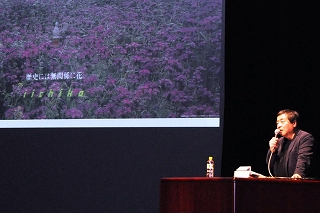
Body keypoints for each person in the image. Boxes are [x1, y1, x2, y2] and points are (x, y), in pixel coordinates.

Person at [266, 109, 319, 178]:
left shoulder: (305, 138)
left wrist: (298, 173)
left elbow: (303, 159)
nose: (278, 126)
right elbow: (270, 165)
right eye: (277, 123)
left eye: (282, 122)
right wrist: (273, 150)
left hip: (297, 184)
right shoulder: (280, 141)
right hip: (280, 183)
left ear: (294, 123)